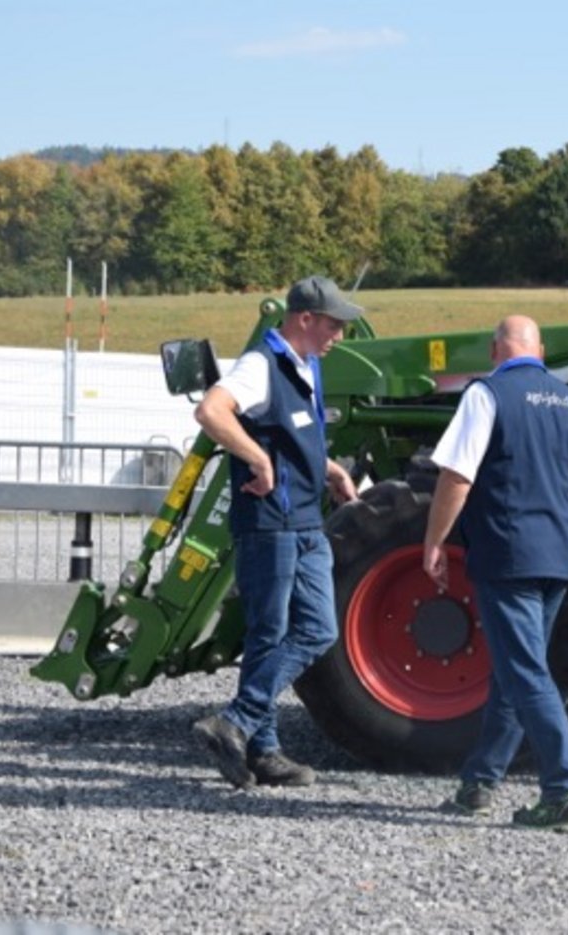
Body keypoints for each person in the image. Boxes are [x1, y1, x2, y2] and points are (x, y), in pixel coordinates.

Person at [424, 315, 568, 832]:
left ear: (494, 351)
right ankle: (479, 783)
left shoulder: (487, 394)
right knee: (514, 667)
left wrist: (434, 540)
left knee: (526, 671)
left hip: (507, 552)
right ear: (541, 351)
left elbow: (457, 475)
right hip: (558, 553)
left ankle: (564, 788)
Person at [190, 274, 361, 789]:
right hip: (271, 522)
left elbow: (291, 434)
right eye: (333, 324)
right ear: (304, 319)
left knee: (315, 629)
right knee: (270, 632)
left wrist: (327, 466)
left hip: (303, 519)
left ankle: (239, 726)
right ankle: (259, 746)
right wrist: (257, 458)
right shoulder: (261, 364)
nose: (339, 335)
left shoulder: (304, 365)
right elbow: (210, 411)